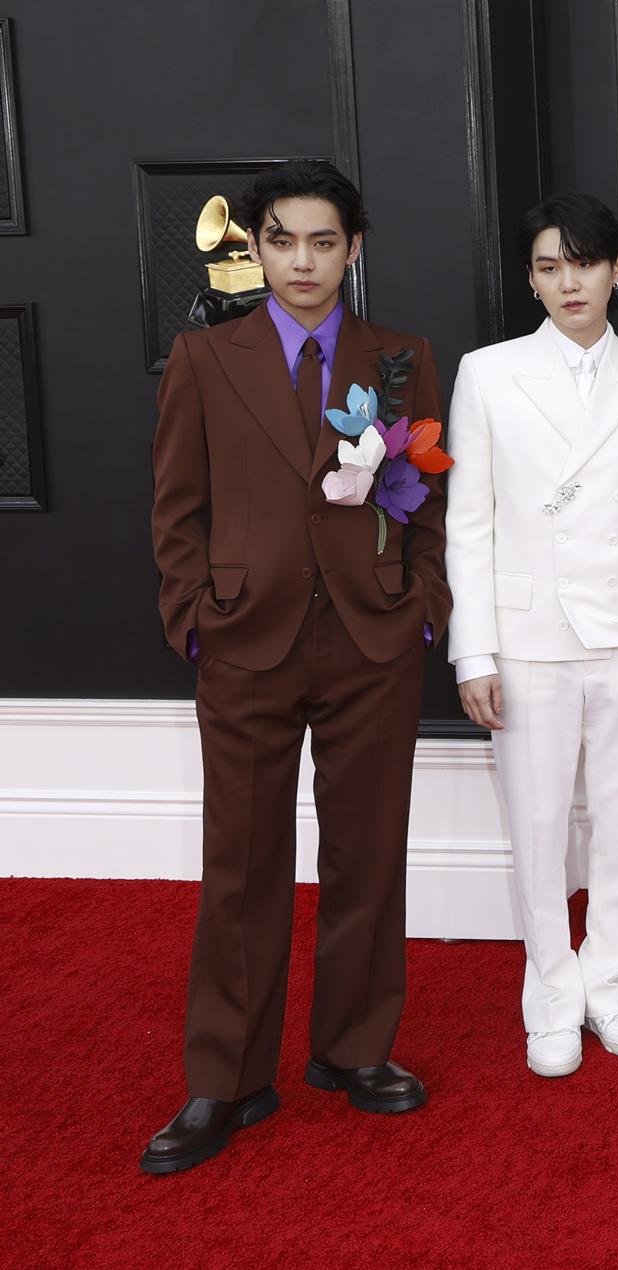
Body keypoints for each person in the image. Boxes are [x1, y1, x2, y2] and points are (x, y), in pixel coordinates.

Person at [144, 160, 448, 1172]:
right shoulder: (204, 357)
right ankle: (226, 1078)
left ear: (353, 249)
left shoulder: (400, 357)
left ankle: (354, 1048)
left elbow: (431, 499)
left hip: (372, 639)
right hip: (244, 640)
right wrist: (195, 620)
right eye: (283, 241)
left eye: (324, 242)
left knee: (369, 852)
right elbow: (176, 507)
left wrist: (422, 608)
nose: (303, 261)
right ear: (257, 247)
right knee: (240, 864)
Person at [444, 192, 618, 1079]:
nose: (569, 283)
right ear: (530, 279)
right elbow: (468, 521)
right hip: (529, 636)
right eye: (550, 267)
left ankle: (612, 981)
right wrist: (474, 651)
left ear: (616, 270)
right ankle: (552, 995)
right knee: (539, 826)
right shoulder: (487, 374)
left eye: (584, 263)